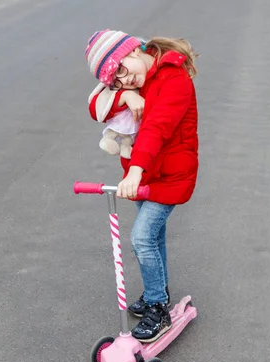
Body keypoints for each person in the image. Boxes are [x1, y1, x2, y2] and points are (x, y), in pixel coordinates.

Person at [85, 29, 199, 343]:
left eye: (122, 71)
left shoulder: (174, 80)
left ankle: (158, 307)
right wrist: (124, 95)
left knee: (142, 238)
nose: (124, 79)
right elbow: (95, 107)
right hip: (145, 174)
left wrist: (134, 172)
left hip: (169, 174)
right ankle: (155, 293)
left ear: (133, 50)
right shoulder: (135, 83)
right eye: (115, 80)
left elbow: (156, 127)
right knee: (154, 236)